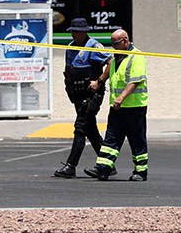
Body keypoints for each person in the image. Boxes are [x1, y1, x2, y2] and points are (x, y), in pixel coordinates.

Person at [85, 28, 148, 181]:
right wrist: (99, 82)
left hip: (134, 107)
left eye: (116, 43)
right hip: (117, 107)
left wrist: (121, 97)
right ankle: (103, 169)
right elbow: (109, 69)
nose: (113, 46)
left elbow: (134, 81)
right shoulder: (117, 57)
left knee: (136, 139)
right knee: (111, 139)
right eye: (112, 44)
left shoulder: (136, 57)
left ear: (125, 41)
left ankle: (140, 172)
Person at [53, 17, 112, 178]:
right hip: (78, 95)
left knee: (80, 128)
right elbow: (68, 70)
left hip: (91, 95)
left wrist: (99, 81)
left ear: (84, 32)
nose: (73, 34)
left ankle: (71, 166)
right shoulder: (71, 47)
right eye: (72, 31)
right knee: (91, 130)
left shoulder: (93, 46)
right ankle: (107, 165)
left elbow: (111, 62)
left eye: (76, 32)